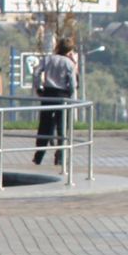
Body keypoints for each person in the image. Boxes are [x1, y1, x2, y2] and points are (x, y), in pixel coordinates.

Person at [33, 36, 78, 164]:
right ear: (69, 50)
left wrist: (38, 87)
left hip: (48, 93)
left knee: (44, 125)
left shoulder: (48, 59)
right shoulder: (69, 63)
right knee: (62, 126)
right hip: (62, 95)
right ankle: (60, 156)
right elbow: (73, 83)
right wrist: (70, 94)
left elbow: (36, 72)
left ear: (57, 47)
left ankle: (38, 156)